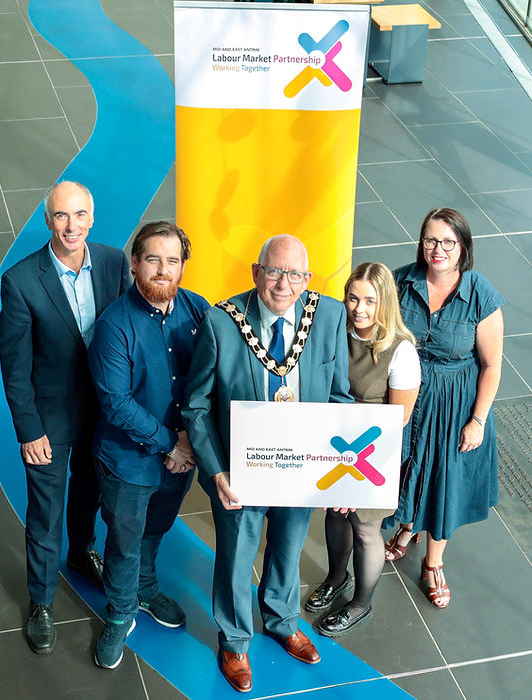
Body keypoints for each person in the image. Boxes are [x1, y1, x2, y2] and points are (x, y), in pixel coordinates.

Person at [183, 234, 353, 693]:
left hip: (302, 466)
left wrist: (337, 474)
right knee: (236, 555)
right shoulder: (221, 322)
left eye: (294, 274)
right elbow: (196, 405)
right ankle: (235, 641)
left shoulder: (329, 316)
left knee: (288, 548)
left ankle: (282, 621)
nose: (283, 284)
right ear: (256, 272)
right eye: (274, 272)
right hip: (240, 469)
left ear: (308, 278)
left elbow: (339, 396)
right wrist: (216, 471)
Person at [0, 181, 129, 654]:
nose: (71, 226)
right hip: (49, 418)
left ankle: (80, 553)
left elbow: (128, 333)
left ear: (92, 217)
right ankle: (41, 601)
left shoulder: (115, 263)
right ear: (47, 220)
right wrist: (29, 429)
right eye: (60, 216)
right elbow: (14, 366)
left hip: (104, 411)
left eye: (79, 215)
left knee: (90, 491)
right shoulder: (21, 281)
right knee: (45, 513)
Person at [88, 221, 209, 669]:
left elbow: (212, 378)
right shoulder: (114, 325)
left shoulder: (198, 311)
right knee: (124, 540)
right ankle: (120, 613)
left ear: (183, 266)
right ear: (135, 263)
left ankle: (144, 587)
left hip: (181, 458)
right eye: (153, 259)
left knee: (156, 526)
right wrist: (170, 444)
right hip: (129, 462)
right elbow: (116, 403)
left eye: (172, 260)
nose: (163, 269)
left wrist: (189, 442)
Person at [383, 207, 505, 610]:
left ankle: (433, 562)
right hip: (408, 393)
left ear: (463, 247)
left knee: (443, 479)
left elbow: (491, 365)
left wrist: (478, 420)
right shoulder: (400, 282)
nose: (439, 249)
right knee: (405, 468)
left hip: (455, 403)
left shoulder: (480, 294)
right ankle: (408, 527)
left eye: (448, 242)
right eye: (431, 240)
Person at [306, 262, 420, 637]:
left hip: (372, 452)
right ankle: (336, 578)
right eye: (353, 298)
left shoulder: (400, 351)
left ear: (384, 302)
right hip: (335, 442)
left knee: (365, 529)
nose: (359, 309)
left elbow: (398, 419)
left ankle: (360, 603)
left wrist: (355, 477)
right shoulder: (337, 333)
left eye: (370, 300)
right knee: (335, 515)